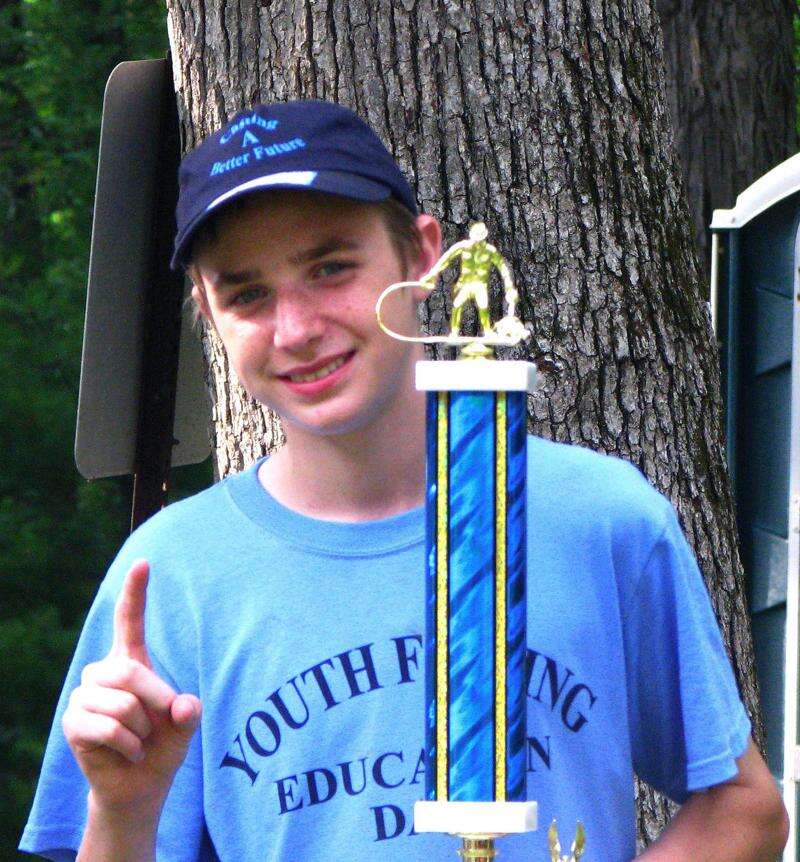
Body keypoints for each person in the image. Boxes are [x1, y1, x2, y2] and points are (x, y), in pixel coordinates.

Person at [20, 100, 787, 862]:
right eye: (246, 294)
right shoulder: (173, 577)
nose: (297, 329)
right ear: (207, 314)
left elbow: (743, 810)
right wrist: (123, 811)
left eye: (331, 268)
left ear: (422, 257)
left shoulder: (601, 519)